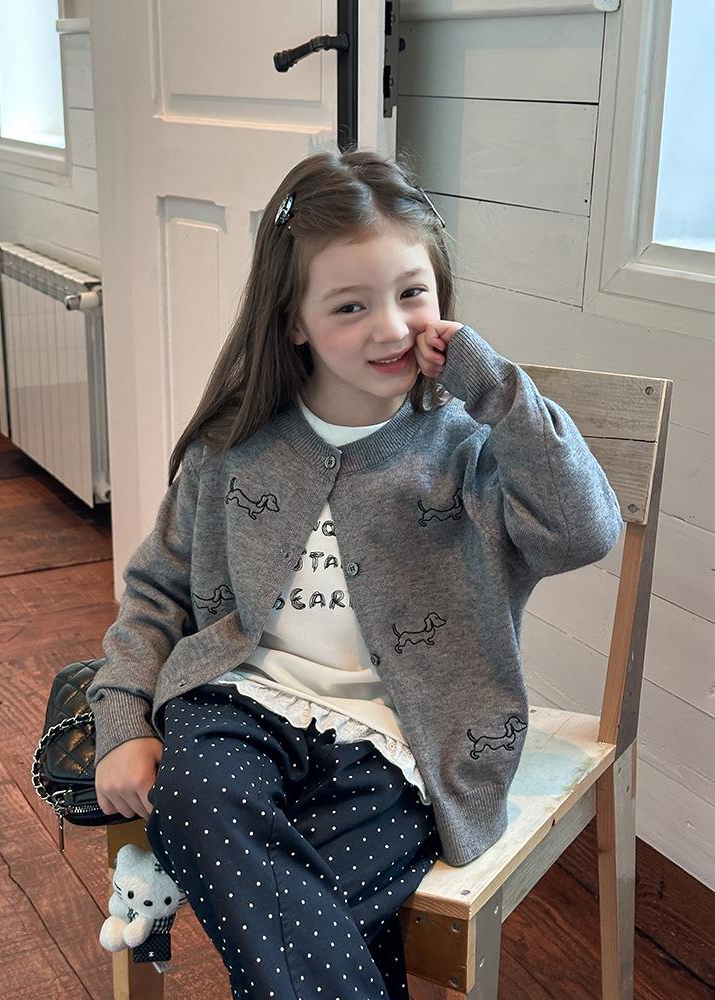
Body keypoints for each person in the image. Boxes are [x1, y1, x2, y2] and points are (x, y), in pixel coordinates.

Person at [90, 147, 623, 999]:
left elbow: (585, 530)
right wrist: (121, 719)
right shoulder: (234, 449)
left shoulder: (470, 452)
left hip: (401, 746)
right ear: (293, 322)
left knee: (287, 903)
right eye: (350, 305)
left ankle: (178, 869)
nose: (391, 328)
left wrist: (493, 388)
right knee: (201, 800)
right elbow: (157, 592)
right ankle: (190, 853)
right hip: (239, 708)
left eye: (412, 293)